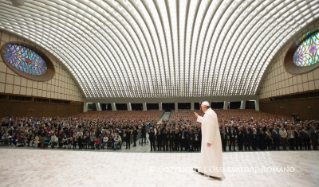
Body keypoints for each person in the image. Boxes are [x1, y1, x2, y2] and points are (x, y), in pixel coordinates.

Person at [193, 101, 223, 179]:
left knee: (211, 155)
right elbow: (205, 121)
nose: (201, 108)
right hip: (209, 138)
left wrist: (209, 140)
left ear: (203, 107)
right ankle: (203, 169)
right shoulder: (209, 113)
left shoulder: (209, 114)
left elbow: (210, 127)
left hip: (211, 139)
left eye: (201, 107)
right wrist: (198, 117)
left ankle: (214, 173)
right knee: (206, 155)